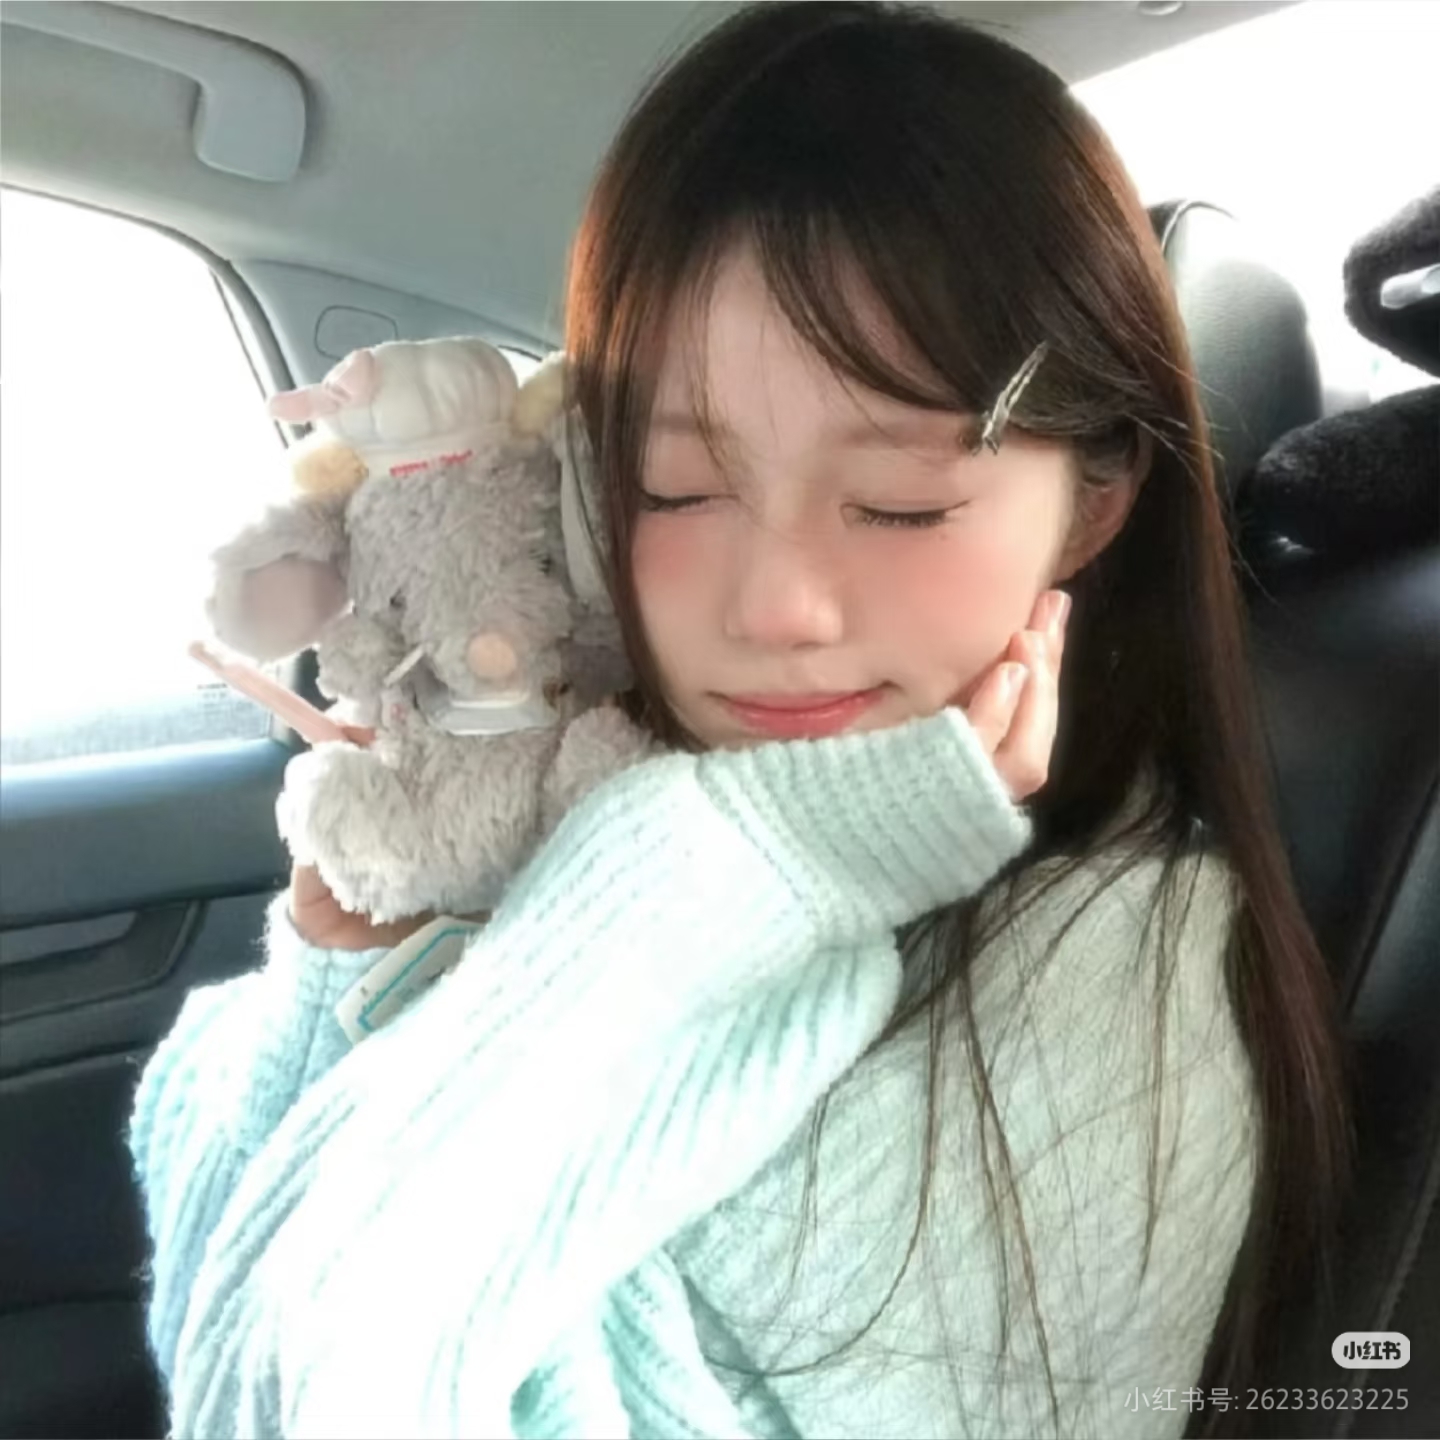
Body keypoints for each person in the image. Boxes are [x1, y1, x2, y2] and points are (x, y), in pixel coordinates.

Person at [129, 4, 1352, 1437]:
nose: (774, 607)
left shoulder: (1116, 998)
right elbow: (215, 1315)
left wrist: (749, 877)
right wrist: (354, 966)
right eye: (678, 491)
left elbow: (311, 1389)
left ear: (1093, 504)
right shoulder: (590, 798)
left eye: (899, 503)